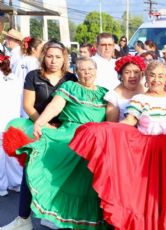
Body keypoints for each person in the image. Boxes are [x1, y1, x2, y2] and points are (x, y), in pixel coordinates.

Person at [69, 61, 166, 229]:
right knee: (147, 194)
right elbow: (129, 122)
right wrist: (104, 130)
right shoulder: (139, 99)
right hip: (148, 153)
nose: (156, 80)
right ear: (145, 77)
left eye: (160, 76)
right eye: (152, 75)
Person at [10, 57, 108, 229]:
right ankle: (35, 216)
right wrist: (40, 122)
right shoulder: (70, 87)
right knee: (39, 162)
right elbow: (55, 106)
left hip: (96, 140)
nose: (87, 73)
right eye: (82, 70)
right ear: (76, 72)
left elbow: (111, 122)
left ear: (96, 71)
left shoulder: (104, 93)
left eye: (90, 69)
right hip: (71, 136)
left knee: (89, 180)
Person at [1, 39, 78, 230]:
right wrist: (42, 123)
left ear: (64, 59)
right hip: (36, 128)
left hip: (62, 131)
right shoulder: (33, 76)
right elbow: (28, 105)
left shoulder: (71, 79)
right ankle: (23, 219)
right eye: (50, 56)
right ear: (43, 56)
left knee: (57, 174)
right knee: (30, 172)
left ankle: (51, 215)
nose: (53, 60)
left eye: (58, 57)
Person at [0, 54, 23, 197]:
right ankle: (16, 182)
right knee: (12, 152)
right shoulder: (15, 79)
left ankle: (2, 186)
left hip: (3, 119)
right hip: (13, 120)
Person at [105, 55, 146, 122]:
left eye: (136, 72)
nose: (132, 76)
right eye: (127, 72)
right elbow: (112, 125)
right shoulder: (113, 96)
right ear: (121, 75)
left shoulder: (147, 89)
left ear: (141, 74)